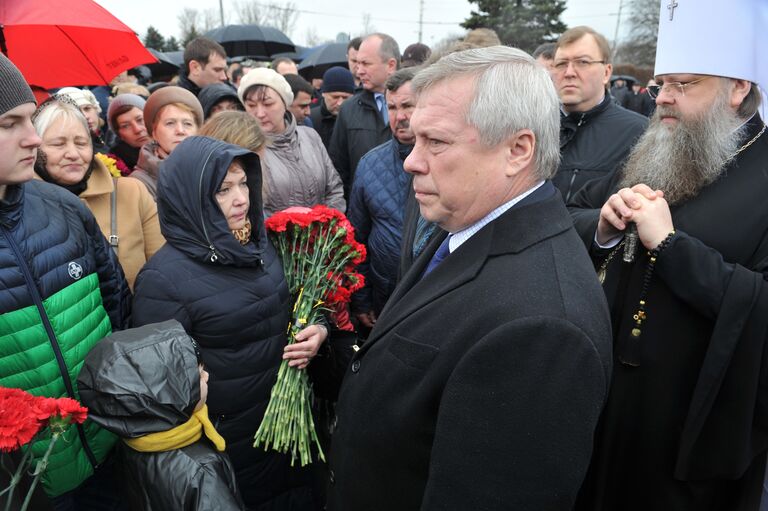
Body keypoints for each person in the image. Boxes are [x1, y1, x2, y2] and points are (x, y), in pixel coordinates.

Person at [326, 46, 613, 511]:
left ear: (518, 150)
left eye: (435, 142)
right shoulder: (462, 223)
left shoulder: (541, 329)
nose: (410, 162)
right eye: (414, 140)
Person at [568, 1, 768, 509]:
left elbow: (760, 306)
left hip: (689, 419)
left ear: (738, 88)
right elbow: (570, 212)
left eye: (684, 84)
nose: (664, 100)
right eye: (662, 85)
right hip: (610, 396)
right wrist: (606, 226)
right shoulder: (659, 145)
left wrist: (673, 247)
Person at [131, 135, 329, 509]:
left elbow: (293, 310)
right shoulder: (163, 280)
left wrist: (318, 331)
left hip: (289, 426)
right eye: (223, 190)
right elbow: (163, 389)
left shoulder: (262, 245)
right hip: (230, 444)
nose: (241, 199)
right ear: (191, 198)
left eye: (243, 184)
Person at [0, 53, 131, 508]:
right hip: (27, 482)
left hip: (108, 445)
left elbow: (117, 306)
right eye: (9, 123)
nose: (32, 138)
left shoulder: (63, 207)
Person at [78, 320, 243, 511]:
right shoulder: (202, 469)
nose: (207, 376)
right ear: (170, 396)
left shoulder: (132, 438)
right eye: (197, 375)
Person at [32, 99, 163, 289]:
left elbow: (161, 270)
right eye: (58, 144)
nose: (73, 153)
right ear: (35, 149)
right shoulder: (19, 208)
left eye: (81, 143)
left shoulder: (131, 193)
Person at [347, 68, 416, 332]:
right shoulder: (369, 164)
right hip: (383, 298)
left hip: (431, 296)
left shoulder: (448, 161)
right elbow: (357, 240)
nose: (400, 116)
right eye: (392, 107)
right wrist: (361, 301)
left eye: (408, 105)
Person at [553, 26, 647, 202]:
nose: (569, 73)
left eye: (582, 62)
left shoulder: (639, 133)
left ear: (606, 72)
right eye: (561, 64)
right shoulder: (533, 127)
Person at [237, 68, 345, 215]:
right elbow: (251, 209)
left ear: (285, 103)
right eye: (251, 105)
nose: (260, 113)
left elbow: (334, 188)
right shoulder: (244, 150)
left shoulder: (310, 136)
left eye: (268, 104)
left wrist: (324, 226)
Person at [329, 33, 399, 199]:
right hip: (362, 213)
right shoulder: (348, 109)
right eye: (357, 63)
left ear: (390, 65)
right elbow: (338, 169)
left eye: (366, 64)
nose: (358, 71)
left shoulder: (418, 104)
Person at [131, 86, 204, 200]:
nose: (180, 130)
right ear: (154, 132)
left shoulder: (211, 169)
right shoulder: (138, 184)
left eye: (187, 124)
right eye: (170, 123)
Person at [310, 66, 355, 149]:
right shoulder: (310, 120)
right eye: (335, 97)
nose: (340, 103)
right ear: (323, 94)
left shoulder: (359, 120)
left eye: (345, 98)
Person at [55, 87, 109, 153]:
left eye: (87, 108)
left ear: (96, 109)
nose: (85, 116)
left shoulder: (102, 137)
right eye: (77, 112)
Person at [107, 93, 149, 170]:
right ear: (119, 134)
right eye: (126, 126)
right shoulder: (116, 166)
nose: (137, 130)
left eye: (140, 120)